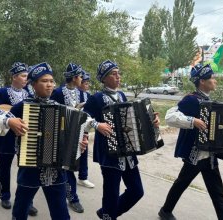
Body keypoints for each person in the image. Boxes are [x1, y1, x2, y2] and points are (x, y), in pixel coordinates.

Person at [0, 62, 88, 220]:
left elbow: (70, 140)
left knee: (61, 213)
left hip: (55, 171)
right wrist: (9, 122)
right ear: (33, 84)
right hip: (30, 168)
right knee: (20, 210)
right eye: (44, 81)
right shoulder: (23, 106)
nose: (49, 85)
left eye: (51, 81)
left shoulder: (61, 108)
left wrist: (79, 145)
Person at [83, 60, 160, 219]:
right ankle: (108, 214)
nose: (118, 76)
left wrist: (151, 120)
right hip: (109, 152)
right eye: (113, 73)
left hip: (128, 150)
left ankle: (107, 214)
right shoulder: (96, 98)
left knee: (137, 191)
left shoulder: (122, 95)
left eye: (118, 73)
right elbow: (82, 117)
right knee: (111, 194)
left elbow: (130, 119)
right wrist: (97, 125)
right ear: (104, 78)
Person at [158, 63, 223, 220]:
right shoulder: (192, 100)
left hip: (209, 154)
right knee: (181, 184)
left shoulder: (208, 100)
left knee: (218, 193)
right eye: (212, 78)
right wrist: (192, 121)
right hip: (196, 155)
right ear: (202, 82)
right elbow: (170, 117)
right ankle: (165, 211)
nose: (215, 80)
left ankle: (165, 211)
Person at [0, 62, 37, 216]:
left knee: (26, 169)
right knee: (4, 168)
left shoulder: (29, 94)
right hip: (6, 137)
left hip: (24, 137)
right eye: (23, 76)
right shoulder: (2, 92)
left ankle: (26, 201)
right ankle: (5, 195)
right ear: (14, 77)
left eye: (27, 76)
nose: (26, 79)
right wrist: (8, 116)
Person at [50, 62, 87, 213]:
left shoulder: (83, 93)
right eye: (81, 77)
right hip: (60, 135)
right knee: (65, 167)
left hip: (76, 134)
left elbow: (87, 114)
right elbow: (52, 112)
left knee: (70, 166)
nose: (82, 80)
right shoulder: (58, 92)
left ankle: (67, 194)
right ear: (75, 78)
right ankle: (73, 198)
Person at [76, 70, 95, 189]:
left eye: (88, 83)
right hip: (73, 127)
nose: (87, 85)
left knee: (84, 152)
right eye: (85, 83)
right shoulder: (72, 92)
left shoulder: (88, 95)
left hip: (85, 127)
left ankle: (83, 177)